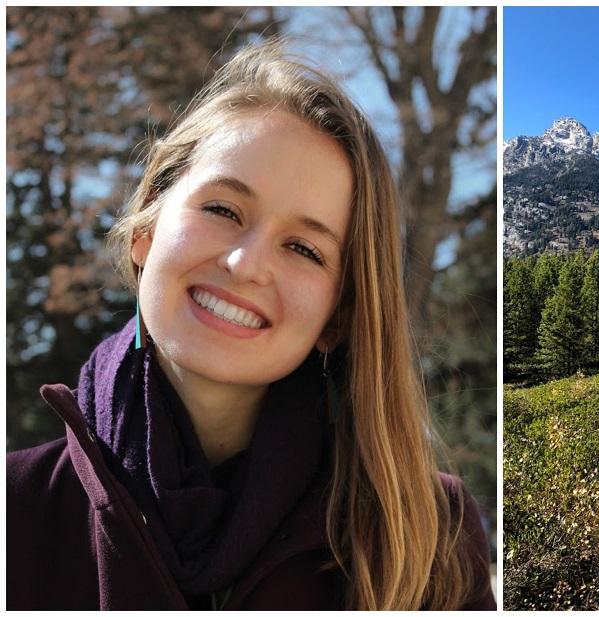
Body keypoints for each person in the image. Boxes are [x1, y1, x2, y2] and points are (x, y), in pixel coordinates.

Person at [6, 39, 495, 610]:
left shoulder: (428, 540)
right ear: (146, 230)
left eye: (304, 248)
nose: (246, 265)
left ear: (337, 318)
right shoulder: (14, 512)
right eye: (222, 210)